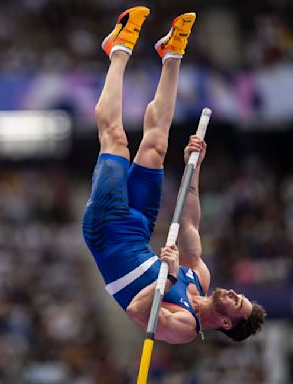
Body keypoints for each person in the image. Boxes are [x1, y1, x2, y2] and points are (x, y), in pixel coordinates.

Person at [82, 7, 266, 344]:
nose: (234, 293)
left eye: (236, 302)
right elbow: (190, 223)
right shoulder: (200, 278)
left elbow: (138, 313)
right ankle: (172, 53)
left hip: (107, 234)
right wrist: (193, 166)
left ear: (226, 323)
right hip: (139, 229)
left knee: (116, 140)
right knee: (156, 146)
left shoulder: (184, 326)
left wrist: (165, 281)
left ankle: (118, 50)